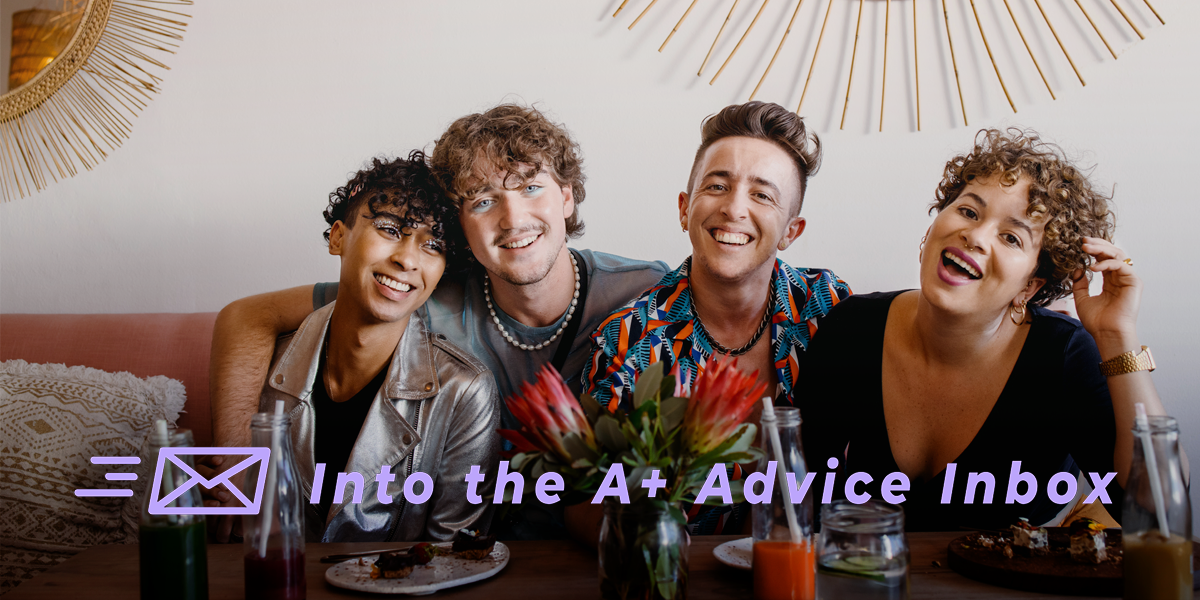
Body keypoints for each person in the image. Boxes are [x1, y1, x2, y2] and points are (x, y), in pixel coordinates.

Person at [207, 104, 669, 539]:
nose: (513, 218)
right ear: (460, 225)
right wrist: (237, 470)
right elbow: (249, 315)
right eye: (483, 200)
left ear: (566, 198)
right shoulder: (420, 290)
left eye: (531, 188)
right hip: (473, 551)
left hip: (604, 548)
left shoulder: (646, 292)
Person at [799, 129, 1177, 531]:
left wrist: (1117, 336)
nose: (976, 236)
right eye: (968, 211)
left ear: (1030, 287)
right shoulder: (851, 327)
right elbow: (797, 496)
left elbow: (1156, 511)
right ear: (931, 230)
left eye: (1011, 237)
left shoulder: (1063, 355)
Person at [582, 101, 851, 535]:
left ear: (790, 231)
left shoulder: (829, 307)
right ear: (685, 208)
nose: (734, 209)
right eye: (717, 186)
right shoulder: (628, 337)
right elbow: (583, 507)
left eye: (762, 195)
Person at [258, 152, 499, 541]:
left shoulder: (464, 389)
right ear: (339, 237)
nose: (407, 259)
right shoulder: (266, 362)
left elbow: (456, 553)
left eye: (433, 245)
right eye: (389, 229)